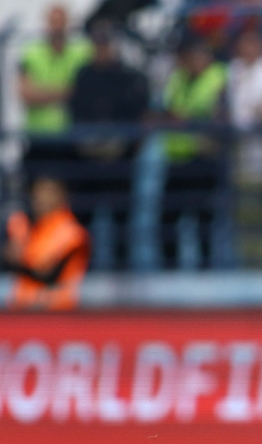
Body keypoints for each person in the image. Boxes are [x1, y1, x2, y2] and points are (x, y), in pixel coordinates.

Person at [68, 21, 150, 268]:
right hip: (88, 159)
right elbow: (76, 113)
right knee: (84, 221)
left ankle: (122, 272)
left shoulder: (129, 77)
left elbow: (139, 117)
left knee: (121, 222)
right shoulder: (83, 75)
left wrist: (127, 147)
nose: (101, 49)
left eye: (105, 44)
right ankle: (82, 270)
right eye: (98, 44)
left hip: (119, 159)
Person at [160, 36, 227, 269]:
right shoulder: (177, 77)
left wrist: (186, 119)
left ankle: (205, 269)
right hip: (177, 157)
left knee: (203, 218)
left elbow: (217, 115)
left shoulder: (218, 77)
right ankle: (169, 268)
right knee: (167, 218)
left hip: (203, 157)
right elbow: (168, 110)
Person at [5, 176, 91, 310]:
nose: (41, 198)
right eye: (38, 192)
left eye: (49, 192)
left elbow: (50, 276)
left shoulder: (72, 232)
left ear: (62, 196)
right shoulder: (21, 224)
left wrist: (18, 262)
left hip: (58, 312)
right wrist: (6, 256)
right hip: (21, 310)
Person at [19, 4, 93, 136]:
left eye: (61, 22)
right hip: (39, 133)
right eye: (53, 22)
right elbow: (27, 95)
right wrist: (66, 92)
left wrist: (43, 92)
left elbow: (88, 92)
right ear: (46, 24)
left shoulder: (83, 52)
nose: (57, 27)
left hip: (73, 133)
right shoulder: (31, 53)